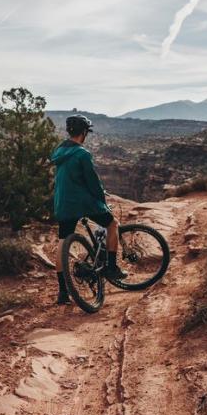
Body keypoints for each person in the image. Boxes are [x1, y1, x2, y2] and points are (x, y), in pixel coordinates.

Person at [51, 114, 124, 305]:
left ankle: (62, 293)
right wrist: (102, 199)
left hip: (63, 203)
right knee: (112, 224)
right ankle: (112, 267)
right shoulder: (83, 154)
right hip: (82, 202)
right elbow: (93, 183)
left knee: (62, 243)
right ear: (84, 132)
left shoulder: (59, 151)